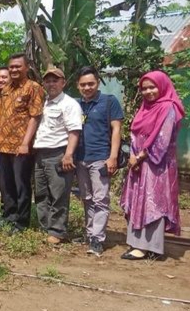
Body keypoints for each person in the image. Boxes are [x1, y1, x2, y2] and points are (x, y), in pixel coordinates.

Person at [121, 71, 184, 260]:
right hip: (139, 163)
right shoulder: (145, 107)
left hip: (156, 164)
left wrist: (140, 156)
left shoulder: (168, 108)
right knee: (138, 201)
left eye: (152, 87)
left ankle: (149, 247)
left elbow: (162, 139)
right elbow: (135, 134)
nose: (148, 92)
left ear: (162, 86)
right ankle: (136, 243)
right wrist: (132, 155)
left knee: (153, 203)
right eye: (144, 88)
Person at [0, 53, 44, 234]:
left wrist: (25, 143)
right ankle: (8, 215)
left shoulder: (33, 88)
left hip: (21, 147)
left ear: (26, 67)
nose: (14, 69)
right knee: (6, 184)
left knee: (21, 184)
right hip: (3, 146)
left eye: (17, 66)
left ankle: (21, 222)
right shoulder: (6, 89)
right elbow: (1, 118)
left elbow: (34, 117)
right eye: (11, 66)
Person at [75, 66, 123, 256]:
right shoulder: (77, 105)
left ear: (97, 83)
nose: (87, 87)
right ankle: (90, 234)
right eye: (83, 85)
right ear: (78, 86)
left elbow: (117, 130)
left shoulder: (109, 101)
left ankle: (98, 238)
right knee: (86, 198)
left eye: (91, 84)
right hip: (80, 158)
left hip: (101, 158)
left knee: (101, 199)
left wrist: (112, 157)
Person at [33, 69, 82, 244]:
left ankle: (57, 231)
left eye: (55, 80)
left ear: (63, 83)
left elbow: (74, 131)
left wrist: (68, 155)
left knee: (59, 194)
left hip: (58, 153)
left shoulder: (69, 104)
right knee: (41, 193)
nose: (51, 84)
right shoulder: (42, 103)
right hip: (40, 152)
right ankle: (45, 226)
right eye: (48, 81)